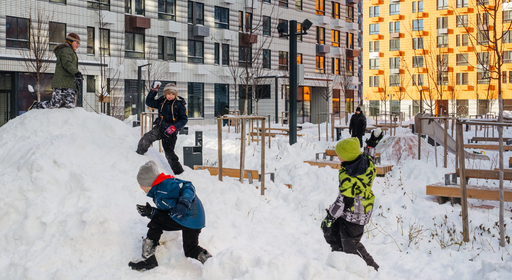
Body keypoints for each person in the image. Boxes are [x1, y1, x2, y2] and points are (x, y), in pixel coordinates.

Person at [129, 161, 212, 271]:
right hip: (193, 220)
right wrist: (151, 212)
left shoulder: (166, 185)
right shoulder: (157, 192)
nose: (140, 186)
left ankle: (148, 259)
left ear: (148, 182)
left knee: (155, 223)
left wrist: (184, 202)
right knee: (190, 249)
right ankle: (212, 263)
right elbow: (167, 214)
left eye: (141, 184)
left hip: (189, 216)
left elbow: (188, 186)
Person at [321, 137, 379, 271]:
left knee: (351, 246)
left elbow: (343, 201)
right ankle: (339, 261)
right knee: (333, 233)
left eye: (339, 155)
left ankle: (371, 269)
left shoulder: (348, 177)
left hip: (355, 216)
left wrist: (330, 217)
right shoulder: (366, 163)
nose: (338, 157)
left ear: (346, 157)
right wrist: (370, 146)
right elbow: (371, 158)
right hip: (356, 211)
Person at [136, 82, 187, 175]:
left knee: (169, 153)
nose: (170, 96)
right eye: (168, 94)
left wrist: (175, 127)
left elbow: (184, 119)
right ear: (165, 94)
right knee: (146, 138)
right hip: (160, 128)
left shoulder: (179, 104)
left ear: (176, 94)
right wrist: (153, 90)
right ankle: (138, 155)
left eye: (172, 94)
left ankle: (179, 173)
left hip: (171, 132)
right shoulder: (161, 101)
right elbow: (149, 102)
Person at [30, 33, 83, 110]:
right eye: (77, 42)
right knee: (55, 105)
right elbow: (66, 63)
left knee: (69, 106)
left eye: (79, 43)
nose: (78, 45)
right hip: (61, 84)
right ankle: (37, 105)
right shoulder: (65, 50)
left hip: (70, 85)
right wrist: (77, 73)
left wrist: (76, 77)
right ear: (70, 41)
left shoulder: (72, 52)